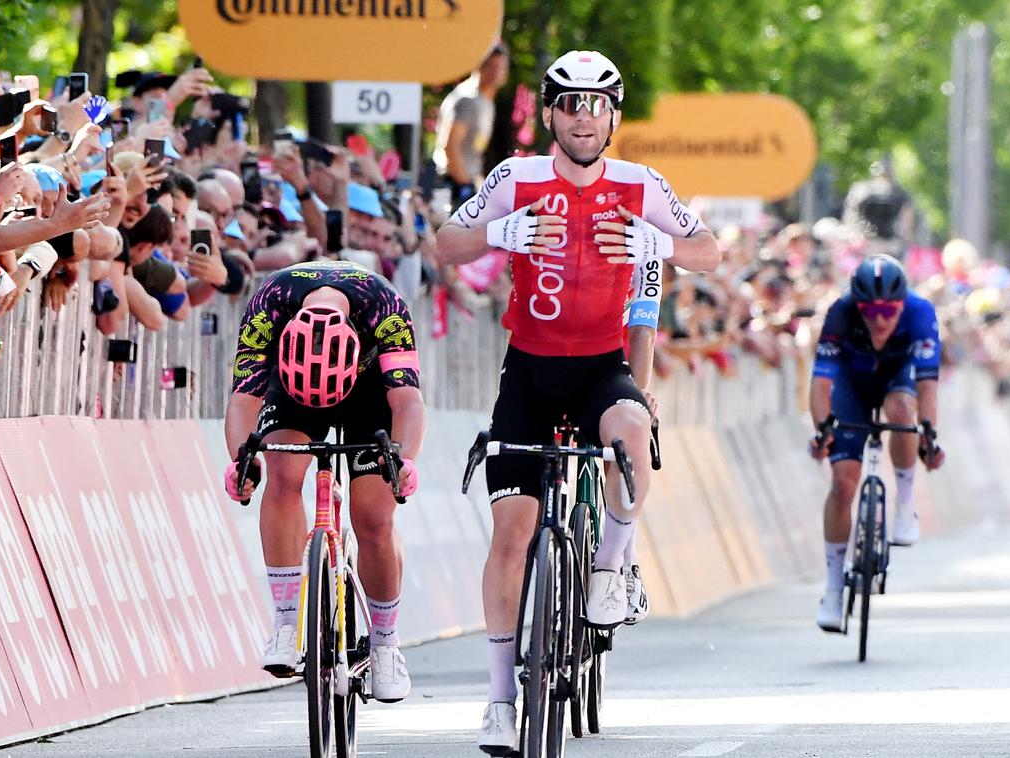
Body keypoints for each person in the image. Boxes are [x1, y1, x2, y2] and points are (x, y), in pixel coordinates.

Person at [435, 49, 719, 755]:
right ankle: (500, 699)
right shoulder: (517, 176)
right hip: (528, 371)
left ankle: (607, 568)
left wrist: (657, 239)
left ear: (614, 116)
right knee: (511, 535)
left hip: (599, 367)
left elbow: (708, 250)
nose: (583, 118)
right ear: (551, 114)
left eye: (596, 106)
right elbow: (443, 244)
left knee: (633, 432)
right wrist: (503, 232)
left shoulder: (640, 182)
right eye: (569, 104)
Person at [221, 259, 426, 703]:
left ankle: (386, 644)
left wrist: (404, 461)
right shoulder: (269, 304)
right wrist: (243, 462)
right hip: (291, 389)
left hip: (369, 392)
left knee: (373, 515)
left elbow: (408, 402)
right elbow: (242, 401)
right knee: (282, 471)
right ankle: (284, 622)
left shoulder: (385, 307)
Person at [808, 254, 945, 633]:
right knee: (843, 483)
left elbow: (928, 386)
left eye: (888, 310)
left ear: (902, 305)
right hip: (851, 385)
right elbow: (820, 385)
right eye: (869, 311)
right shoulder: (840, 312)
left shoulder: (921, 313)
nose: (879, 319)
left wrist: (929, 436)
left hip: (895, 379)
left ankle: (904, 504)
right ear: (857, 306)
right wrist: (822, 431)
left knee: (902, 410)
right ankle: (834, 589)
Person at [431, 43, 509, 205]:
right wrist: (466, 186)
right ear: (478, 65)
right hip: (452, 185)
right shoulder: (468, 100)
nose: (496, 72)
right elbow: (450, 146)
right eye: (491, 66)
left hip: (467, 181)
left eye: (501, 67)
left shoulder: (486, 101)